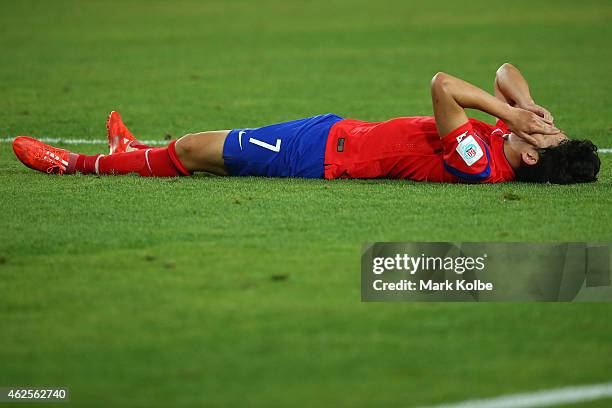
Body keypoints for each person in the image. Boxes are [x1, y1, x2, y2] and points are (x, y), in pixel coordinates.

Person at [12, 63, 600, 184]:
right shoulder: (516, 144)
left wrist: (511, 116)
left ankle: (78, 164)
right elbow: (504, 73)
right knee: (208, 149)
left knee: (194, 149)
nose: (547, 129)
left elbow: (444, 85)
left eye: (548, 137)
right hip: (330, 133)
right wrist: (530, 108)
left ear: (530, 156)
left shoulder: (480, 162)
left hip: (322, 156)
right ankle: (131, 152)